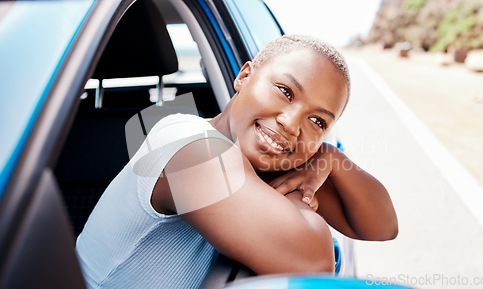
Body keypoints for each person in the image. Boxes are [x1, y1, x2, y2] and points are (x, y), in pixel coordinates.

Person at [76, 34, 398, 289]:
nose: (291, 123)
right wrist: (301, 192)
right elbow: (312, 264)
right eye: (285, 91)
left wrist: (329, 156)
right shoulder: (186, 143)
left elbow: (383, 226)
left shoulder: (275, 160)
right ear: (244, 76)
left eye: (317, 122)